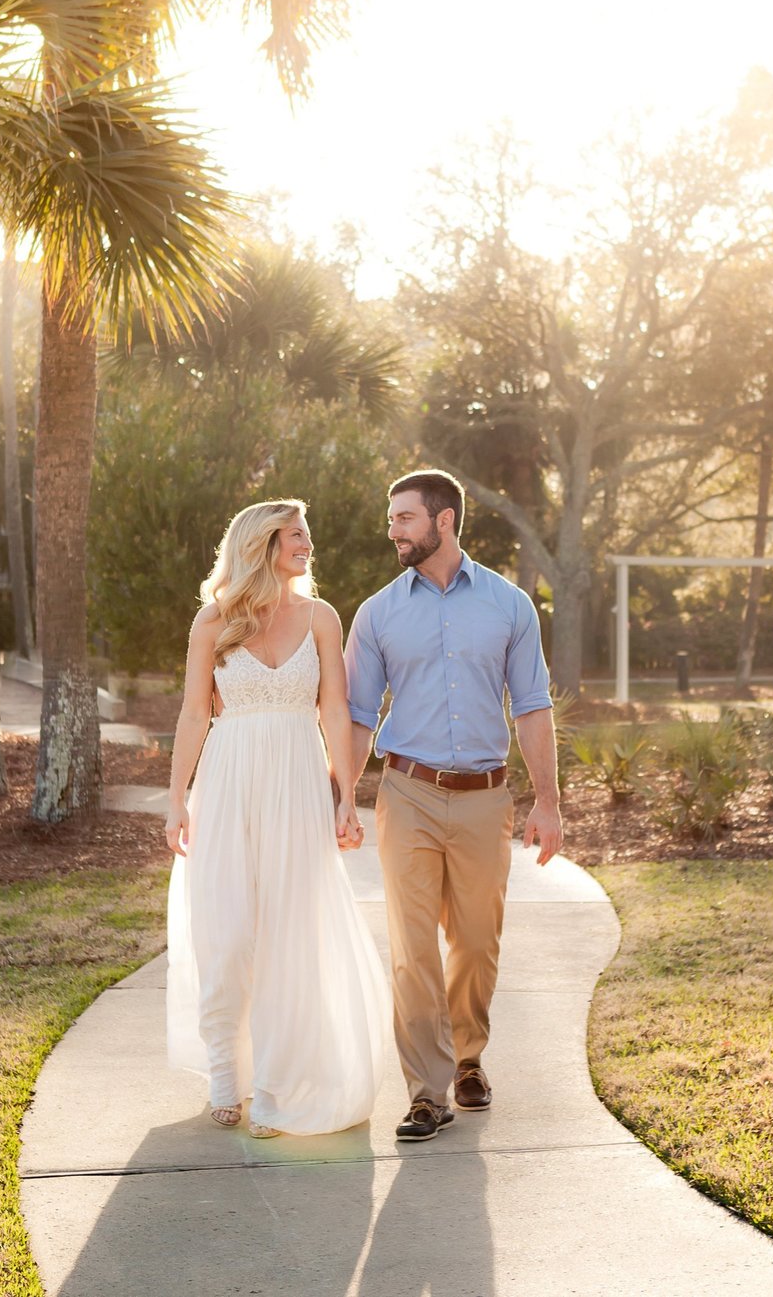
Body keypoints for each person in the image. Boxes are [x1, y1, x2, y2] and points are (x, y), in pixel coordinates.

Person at [345, 469, 564, 1142]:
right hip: (405, 790)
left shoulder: (508, 605)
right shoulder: (378, 612)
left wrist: (548, 801)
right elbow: (357, 714)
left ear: (443, 521)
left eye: (403, 518)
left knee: (474, 940)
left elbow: (532, 708)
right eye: (391, 518)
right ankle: (425, 1090)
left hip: (483, 795)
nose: (392, 530)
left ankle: (469, 1055)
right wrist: (342, 796)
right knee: (412, 946)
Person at [164, 499, 389, 1139]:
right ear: (262, 543)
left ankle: (272, 1087)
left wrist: (347, 795)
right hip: (228, 783)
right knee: (227, 933)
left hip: (296, 780)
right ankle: (223, 1077)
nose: (308, 544)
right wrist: (176, 796)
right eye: (296, 534)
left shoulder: (321, 617)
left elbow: (335, 712)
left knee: (291, 936)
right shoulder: (212, 622)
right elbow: (192, 715)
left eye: (307, 533)